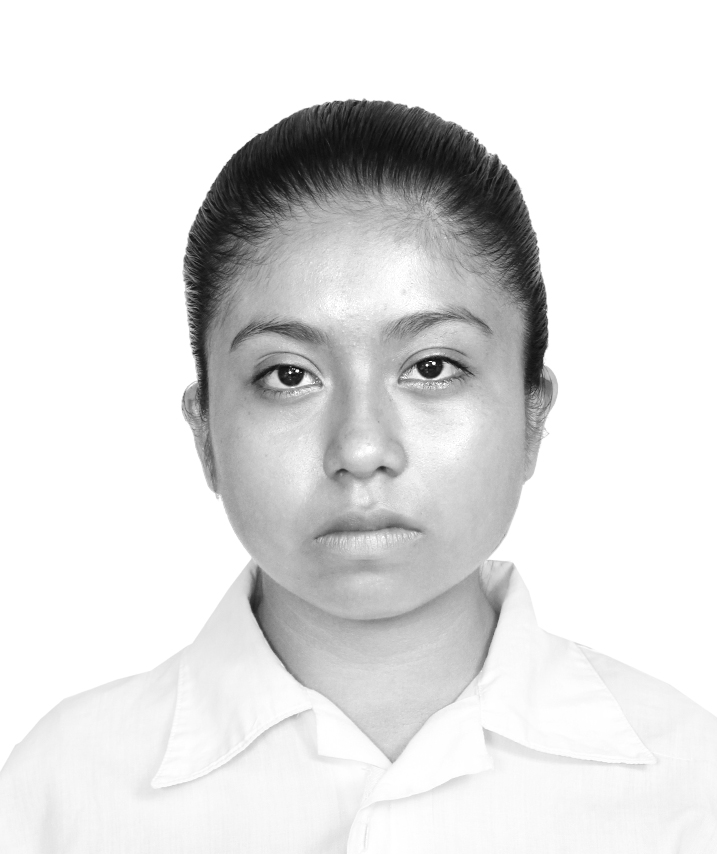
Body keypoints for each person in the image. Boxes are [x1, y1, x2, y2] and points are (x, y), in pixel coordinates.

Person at [1, 99, 715, 853]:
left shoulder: (688, 786)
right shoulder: (61, 793)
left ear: (531, 415)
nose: (363, 447)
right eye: (288, 375)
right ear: (205, 432)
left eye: (432, 367)